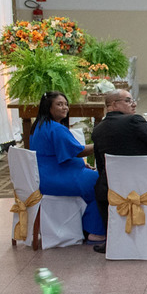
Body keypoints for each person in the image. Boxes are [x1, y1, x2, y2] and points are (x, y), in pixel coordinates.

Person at [92, 89, 147, 243]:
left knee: (100, 188)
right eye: (128, 101)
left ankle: (113, 239)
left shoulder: (98, 130)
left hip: (114, 190)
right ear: (114, 104)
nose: (134, 104)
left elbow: (101, 165)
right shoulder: (134, 121)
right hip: (146, 187)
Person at [28, 91, 106, 243]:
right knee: (101, 182)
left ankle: (87, 227)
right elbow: (79, 151)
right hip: (56, 178)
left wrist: (82, 164)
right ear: (48, 108)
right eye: (59, 104)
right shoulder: (55, 128)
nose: (64, 108)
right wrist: (101, 144)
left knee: (96, 179)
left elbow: (62, 154)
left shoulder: (38, 126)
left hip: (45, 175)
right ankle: (95, 231)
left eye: (65, 104)